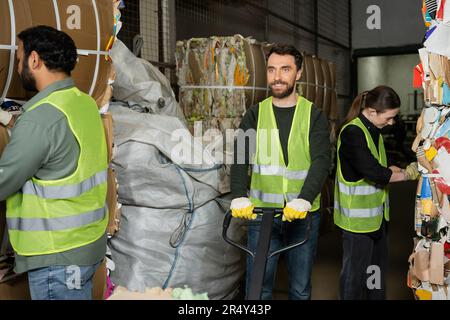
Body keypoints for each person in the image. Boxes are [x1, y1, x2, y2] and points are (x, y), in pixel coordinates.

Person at [0, 25, 108, 300]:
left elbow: (4, 180)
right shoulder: (84, 104)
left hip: (57, 257)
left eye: (20, 57)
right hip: (87, 244)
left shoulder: (41, 117)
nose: (19, 63)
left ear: (34, 60)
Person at [230, 44, 331, 300]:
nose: (277, 76)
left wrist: (304, 198)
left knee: (299, 287)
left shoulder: (313, 115)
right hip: (263, 213)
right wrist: (239, 194)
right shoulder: (255, 114)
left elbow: (321, 161)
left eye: (285, 69)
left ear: (298, 74)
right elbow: (241, 158)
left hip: (303, 212)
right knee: (258, 286)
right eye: (272, 69)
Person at [334, 86, 418, 300]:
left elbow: (380, 163)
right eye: (389, 118)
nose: (391, 123)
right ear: (372, 112)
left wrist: (396, 167)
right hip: (357, 224)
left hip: (377, 220)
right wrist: (409, 173)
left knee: (375, 273)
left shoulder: (373, 131)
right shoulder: (353, 132)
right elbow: (376, 172)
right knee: (354, 277)